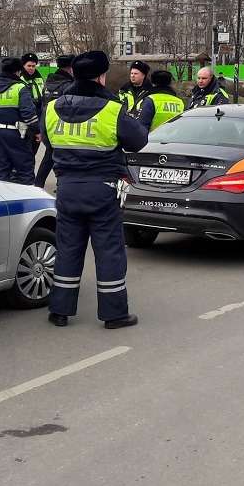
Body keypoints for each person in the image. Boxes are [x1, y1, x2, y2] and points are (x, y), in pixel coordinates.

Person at [45, 50, 149, 329]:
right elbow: (139, 140)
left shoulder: (52, 108)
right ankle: (114, 314)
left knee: (67, 249)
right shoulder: (112, 109)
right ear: (102, 76)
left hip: (66, 188)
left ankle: (60, 311)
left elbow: (48, 141)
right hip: (102, 190)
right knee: (109, 251)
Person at [0, 57, 39, 184]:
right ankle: (27, 199)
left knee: (2, 168)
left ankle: (2, 197)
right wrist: (37, 131)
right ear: (17, 72)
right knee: (25, 169)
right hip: (18, 135)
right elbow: (29, 114)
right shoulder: (20, 87)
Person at [34, 54, 75, 188]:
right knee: (62, 155)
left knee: (50, 153)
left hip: (47, 123)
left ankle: (39, 183)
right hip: (62, 125)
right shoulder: (69, 85)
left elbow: (41, 103)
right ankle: (59, 183)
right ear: (70, 68)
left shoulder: (48, 82)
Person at [19, 53, 45, 155]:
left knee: (34, 150)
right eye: (29, 66)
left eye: (33, 66)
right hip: (26, 118)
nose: (31, 68)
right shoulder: (20, 79)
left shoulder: (39, 78)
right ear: (23, 66)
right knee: (25, 151)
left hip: (38, 116)